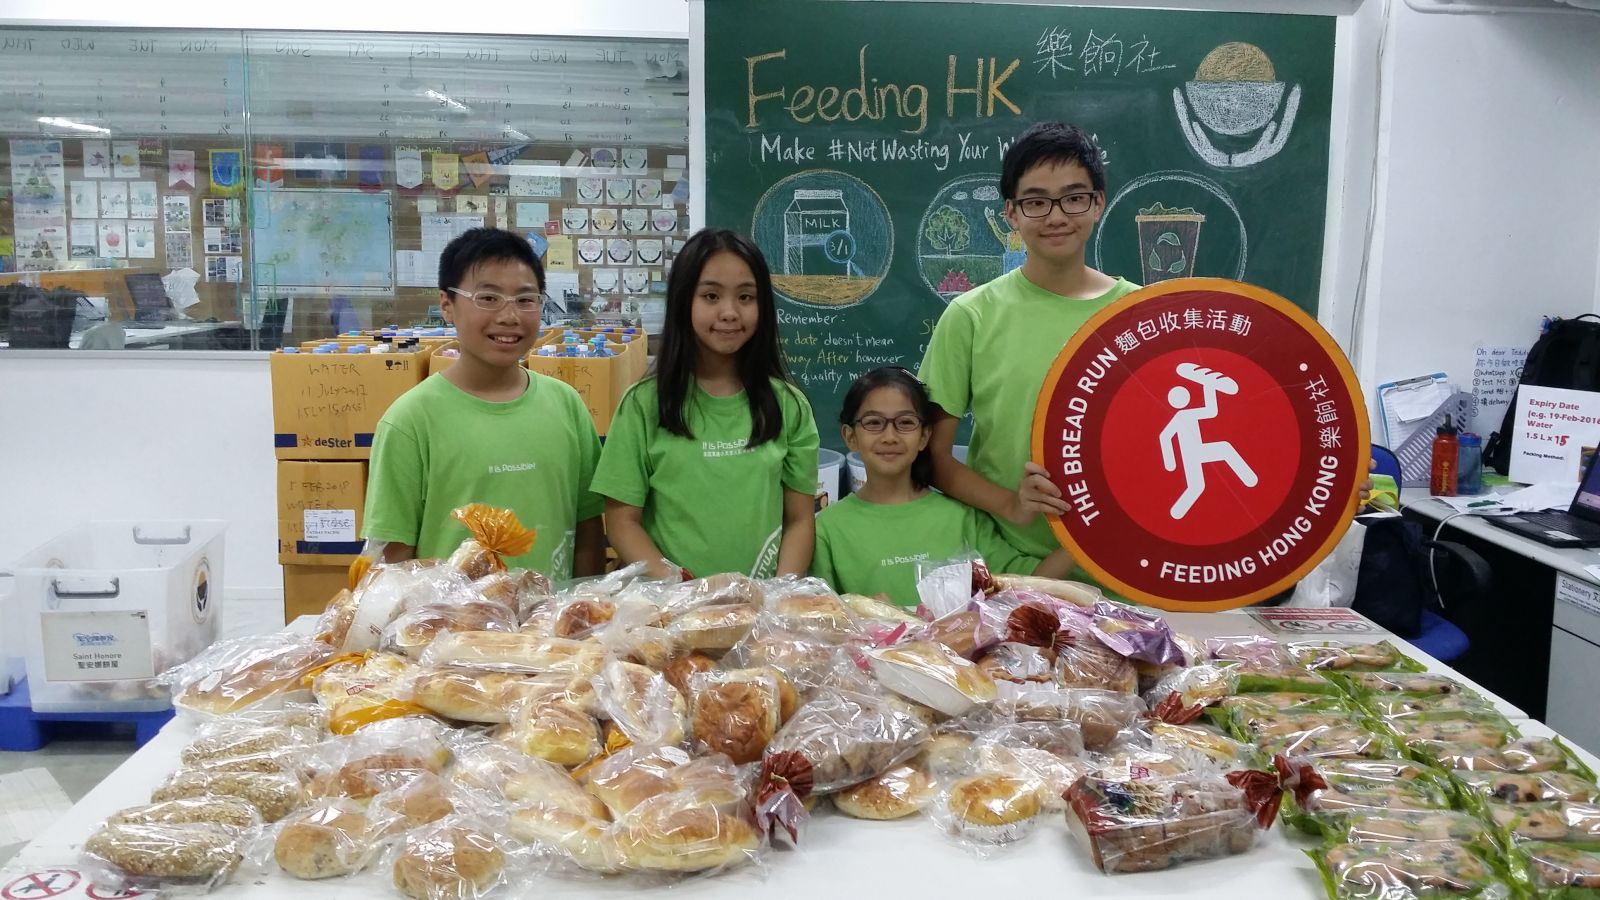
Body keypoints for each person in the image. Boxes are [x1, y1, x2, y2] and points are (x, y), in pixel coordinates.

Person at [920, 122, 1138, 564]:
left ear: (1098, 203)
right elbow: (930, 455)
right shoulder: (971, 316)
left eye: (1074, 198)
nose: (1056, 216)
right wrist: (1009, 504)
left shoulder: (1143, 317)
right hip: (1007, 562)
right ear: (1011, 213)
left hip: (1131, 563)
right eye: (1036, 202)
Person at [362, 227, 605, 579]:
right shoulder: (411, 420)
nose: (510, 316)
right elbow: (393, 556)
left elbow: (587, 527)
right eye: (488, 298)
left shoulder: (566, 404)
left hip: (549, 627)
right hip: (455, 628)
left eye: (526, 299)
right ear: (446, 304)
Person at [593, 228, 819, 580]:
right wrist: (679, 593)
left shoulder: (788, 405)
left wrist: (778, 594)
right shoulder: (642, 405)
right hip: (672, 611)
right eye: (711, 296)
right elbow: (622, 522)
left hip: (762, 613)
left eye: (746, 297)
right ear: (684, 301)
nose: (729, 312)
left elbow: (800, 519)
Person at [812, 367, 1074, 607]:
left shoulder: (963, 519)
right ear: (850, 436)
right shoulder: (827, 529)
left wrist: (1088, 540)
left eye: (905, 423)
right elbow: (818, 619)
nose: (889, 436)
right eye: (873, 423)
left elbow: (1032, 583)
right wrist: (859, 618)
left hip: (960, 658)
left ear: (924, 436)